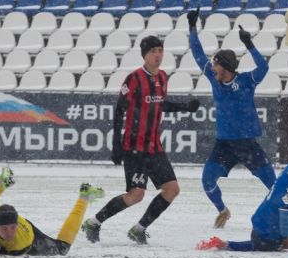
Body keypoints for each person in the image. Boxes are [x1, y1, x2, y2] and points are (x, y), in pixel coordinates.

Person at [81, 36, 200, 245]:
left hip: (154, 147)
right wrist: (116, 144)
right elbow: (119, 111)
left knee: (172, 189)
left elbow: (161, 104)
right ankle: (94, 222)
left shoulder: (162, 77)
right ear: (144, 55)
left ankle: (139, 229)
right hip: (134, 147)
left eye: (160, 50)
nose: (157, 55)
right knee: (136, 195)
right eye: (153, 51)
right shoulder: (134, 79)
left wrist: (184, 107)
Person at [187, 8, 276, 229]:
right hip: (224, 144)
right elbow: (197, 53)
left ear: (225, 67)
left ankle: (279, 217)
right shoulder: (214, 78)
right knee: (207, 181)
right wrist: (192, 28)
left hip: (247, 144)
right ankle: (223, 211)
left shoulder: (246, 81)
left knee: (274, 185)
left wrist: (250, 45)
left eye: (216, 64)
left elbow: (264, 67)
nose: (212, 67)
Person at [0, 166, 105, 256]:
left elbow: (10, 255)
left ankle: (84, 196)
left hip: (32, 237)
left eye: (12, 227)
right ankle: (2, 183)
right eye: (5, 228)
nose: (10, 232)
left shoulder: (19, 241)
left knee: (62, 249)